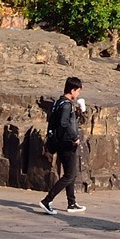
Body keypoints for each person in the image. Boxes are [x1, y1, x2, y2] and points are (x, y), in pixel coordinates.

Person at [39, 77, 87, 215]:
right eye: (78, 91)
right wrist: (75, 137)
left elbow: (63, 121)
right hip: (66, 143)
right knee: (70, 175)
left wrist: (79, 111)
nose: (78, 94)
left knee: (69, 173)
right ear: (72, 90)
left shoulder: (59, 102)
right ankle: (47, 200)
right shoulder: (66, 105)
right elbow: (64, 123)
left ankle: (71, 203)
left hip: (60, 142)